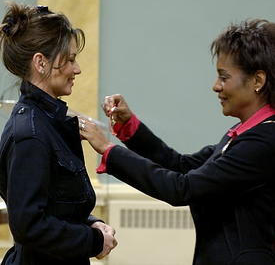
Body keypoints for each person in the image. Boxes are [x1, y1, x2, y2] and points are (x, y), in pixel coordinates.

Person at [79, 19, 275, 265]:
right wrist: (130, 127)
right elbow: (180, 164)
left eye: (224, 77)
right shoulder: (243, 133)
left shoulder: (263, 142)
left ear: (258, 81)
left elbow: (182, 188)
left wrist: (108, 150)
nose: (216, 86)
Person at [0, 2, 117, 265]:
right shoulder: (30, 134)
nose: (77, 70)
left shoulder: (50, 122)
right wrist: (93, 241)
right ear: (41, 62)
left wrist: (93, 224)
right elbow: (29, 225)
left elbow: (57, 204)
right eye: (71, 59)